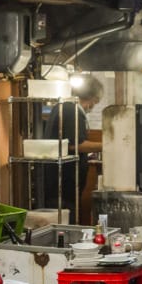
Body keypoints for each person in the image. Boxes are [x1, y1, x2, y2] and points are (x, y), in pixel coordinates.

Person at [43, 75, 103, 218]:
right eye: (96, 100)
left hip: (63, 185)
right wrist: (107, 146)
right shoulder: (71, 110)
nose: (94, 105)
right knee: (64, 221)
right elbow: (75, 144)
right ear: (92, 98)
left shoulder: (66, 106)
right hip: (63, 185)